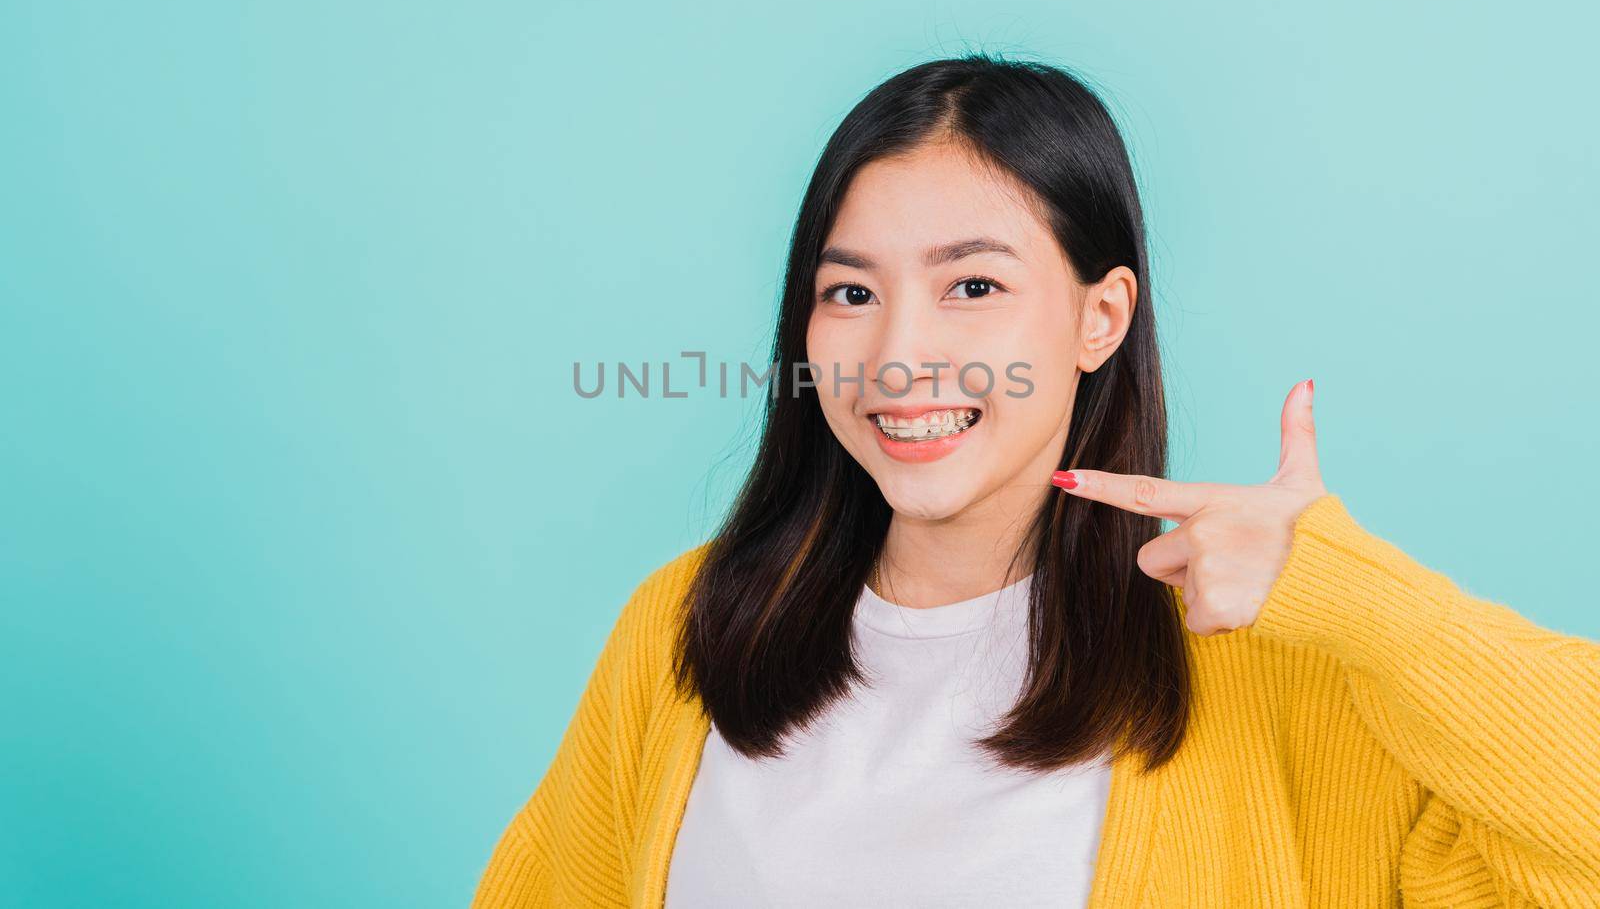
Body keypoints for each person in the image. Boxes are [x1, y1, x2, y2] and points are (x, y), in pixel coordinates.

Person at [471, 55, 1600, 907]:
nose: (899, 354)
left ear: (1098, 318)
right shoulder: (689, 628)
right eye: (850, 294)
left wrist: (1367, 605)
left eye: (970, 287)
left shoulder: (1279, 676)